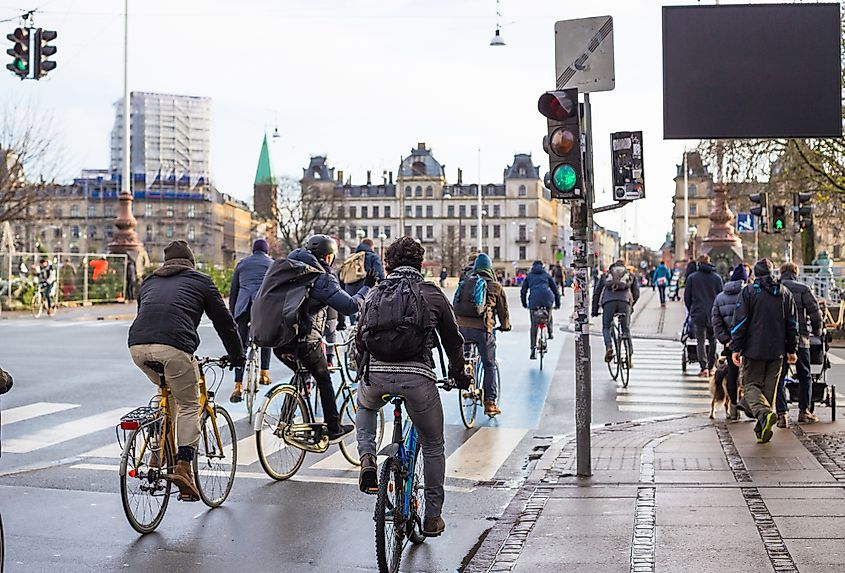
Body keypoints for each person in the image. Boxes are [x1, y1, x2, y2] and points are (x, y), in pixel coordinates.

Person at [355, 237, 470, 538]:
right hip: (418, 378)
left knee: (365, 405)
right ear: (420, 263)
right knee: (433, 445)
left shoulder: (374, 293)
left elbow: (359, 339)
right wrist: (459, 375)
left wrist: (362, 372)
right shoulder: (431, 294)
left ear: (389, 263)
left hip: (376, 375)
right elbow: (453, 341)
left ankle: (367, 458)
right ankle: (432, 517)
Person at [128, 240, 245, 501]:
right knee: (190, 404)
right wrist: (237, 355)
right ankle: (183, 466)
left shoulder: (149, 281)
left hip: (137, 347)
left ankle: (158, 452)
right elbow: (224, 323)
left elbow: (145, 314)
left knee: (167, 394)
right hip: (175, 347)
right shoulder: (201, 281)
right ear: (190, 262)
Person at [275, 234, 375, 442]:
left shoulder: (287, 271)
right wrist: (366, 287)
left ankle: (285, 421)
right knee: (323, 378)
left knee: (301, 374)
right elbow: (348, 306)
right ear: (328, 257)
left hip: (277, 340)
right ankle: (334, 427)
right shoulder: (321, 277)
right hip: (304, 341)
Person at [731, 259, 798, 444]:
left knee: (749, 385)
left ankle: (765, 415)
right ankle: (762, 431)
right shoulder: (785, 293)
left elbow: (740, 322)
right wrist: (792, 349)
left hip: (754, 349)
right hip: (778, 351)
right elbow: (792, 325)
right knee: (769, 393)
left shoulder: (749, 292)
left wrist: (736, 347)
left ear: (755, 274)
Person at [455, 252, 511, 416]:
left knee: (466, 358)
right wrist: (505, 326)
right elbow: (503, 313)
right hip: (482, 330)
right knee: (489, 364)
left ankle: (466, 379)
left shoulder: (465, 283)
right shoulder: (495, 286)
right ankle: (490, 402)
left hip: (462, 329)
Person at [775, 262, 823, 427]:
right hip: (801, 339)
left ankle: (782, 414)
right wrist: (817, 332)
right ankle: (804, 411)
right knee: (805, 375)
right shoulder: (802, 289)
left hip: (778, 340)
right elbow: (815, 312)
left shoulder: (775, 288)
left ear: (781, 273)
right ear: (795, 273)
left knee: (779, 377)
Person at [228, 238, 274, 403]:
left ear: (253, 250)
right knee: (266, 338)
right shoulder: (271, 264)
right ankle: (264, 373)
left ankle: (238, 385)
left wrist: (233, 313)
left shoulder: (242, 264)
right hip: (262, 307)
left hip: (244, 307)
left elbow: (234, 291)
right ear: (266, 251)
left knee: (240, 346)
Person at [711, 263, 748, 420]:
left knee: (732, 375)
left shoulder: (720, 297)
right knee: (748, 375)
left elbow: (716, 322)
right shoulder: (748, 294)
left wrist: (725, 340)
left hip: (730, 345)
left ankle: (733, 408)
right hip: (747, 343)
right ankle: (748, 405)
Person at [592, 260, 640, 367]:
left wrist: (595, 310)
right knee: (626, 329)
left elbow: (597, 292)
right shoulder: (629, 275)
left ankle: (609, 346)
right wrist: (631, 305)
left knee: (606, 327)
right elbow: (636, 292)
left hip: (608, 302)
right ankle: (629, 356)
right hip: (625, 302)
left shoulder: (607, 275)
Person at [684, 254, 723, 377]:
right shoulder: (717, 278)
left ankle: (703, 367)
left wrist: (691, 309)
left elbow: (687, 297)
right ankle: (711, 367)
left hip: (698, 312)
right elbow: (721, 296)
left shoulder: (692, 278)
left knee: (700, 341)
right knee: (713, 340)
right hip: (713, 313)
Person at [521, 260, 560, 360]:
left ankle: (533, 349)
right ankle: (550, 333)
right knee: (549, 314)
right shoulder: (547, 275)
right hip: (547, 298)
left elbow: (523, 291)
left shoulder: (529, 276)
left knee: (534, 325)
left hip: (534, 300)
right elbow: (555, 290)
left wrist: (525, 303)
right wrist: (558, 304)